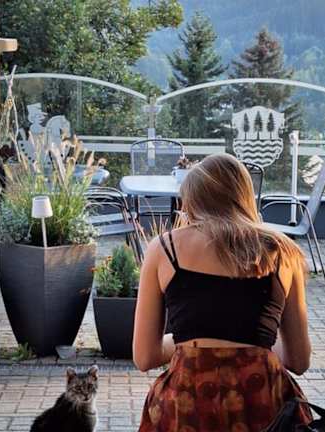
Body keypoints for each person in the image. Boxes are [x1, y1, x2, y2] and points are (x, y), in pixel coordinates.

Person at [133, 153, 313, 432]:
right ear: (245, 195)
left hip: (188, 403)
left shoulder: (164, 249)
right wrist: (255, 344)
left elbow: (145, 356)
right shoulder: (283, 252)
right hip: (262, 401)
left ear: (192, 201)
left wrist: (186, 342)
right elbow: (298, 361)